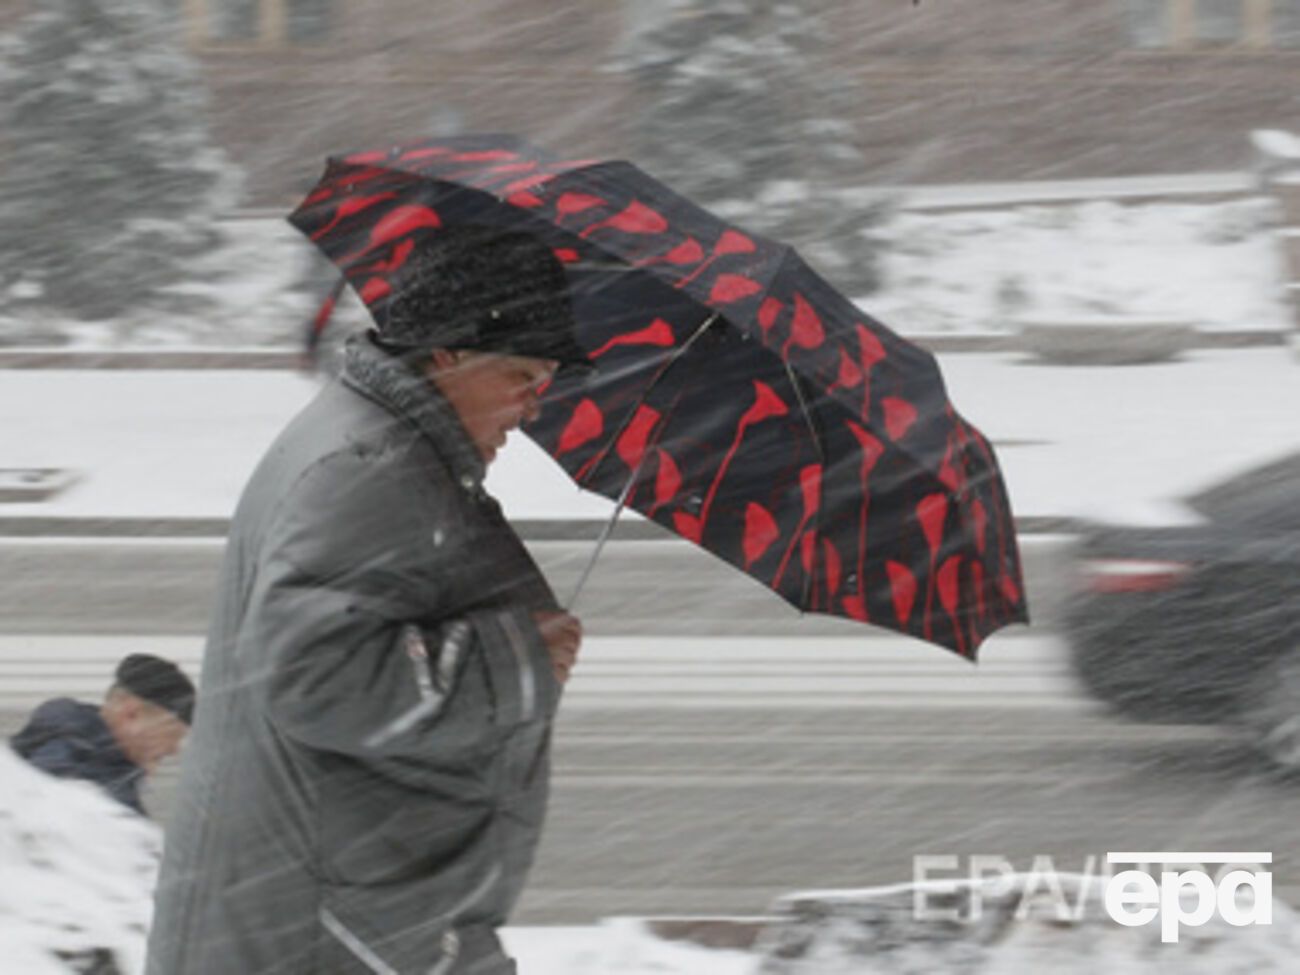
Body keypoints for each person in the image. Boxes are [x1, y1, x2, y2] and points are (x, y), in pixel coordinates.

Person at [147, 226, 589, 975]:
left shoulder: (381, 445)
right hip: (323, 933)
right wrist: (517, 657)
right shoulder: (370, 466)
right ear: (448, 352)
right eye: (524, 375)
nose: (534, 407)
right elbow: (316, 675)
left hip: (328, 916)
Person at [9, 653, 194, 815]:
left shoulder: (103, 769)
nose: (173, 750)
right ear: (131, 714)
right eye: (171, 733)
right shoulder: (66, 767)